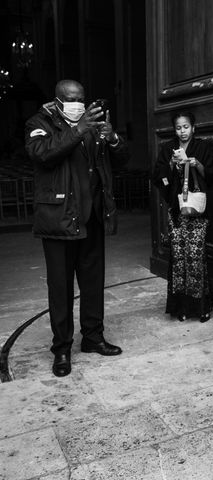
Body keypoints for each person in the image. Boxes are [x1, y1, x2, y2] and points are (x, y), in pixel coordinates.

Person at [25, 79, 129, 377]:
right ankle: (61, 349)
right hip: (59, 220)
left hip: (92, 217)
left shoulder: (94, 123)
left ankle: (93, 338)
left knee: (93, 283)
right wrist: (79, 128)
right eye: (72, 99)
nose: (78, 104)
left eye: (81, 98)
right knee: (60, 289)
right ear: (57, 101)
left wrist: (113, 139)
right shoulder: (40, 122)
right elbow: (42, 154)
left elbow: (122, 160)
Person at [152, 112, 213, 323]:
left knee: (196, 256)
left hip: (197, 211)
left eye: (186, 127)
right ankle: (180, 307)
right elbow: (158, 177)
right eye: (179, 127)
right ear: (175, 130)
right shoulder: (167, 149)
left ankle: (201, 307)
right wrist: (171, 164)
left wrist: (195, 163)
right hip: (177, 212)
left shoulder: (202, 147)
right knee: (179, 257)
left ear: (193, 128)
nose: (182, 131)